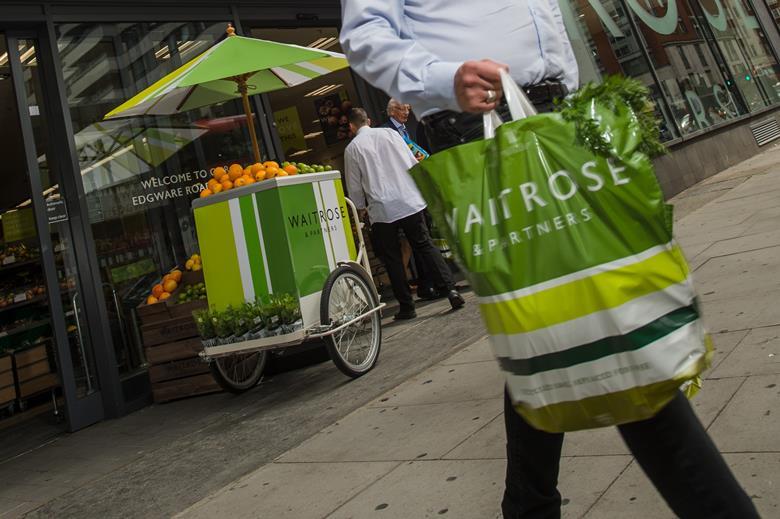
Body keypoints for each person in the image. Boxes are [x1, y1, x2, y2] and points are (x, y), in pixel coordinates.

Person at [339, 2, 759, 518]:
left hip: (554, 116)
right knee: (614, 327)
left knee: (556, 323)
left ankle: (527, 505)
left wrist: (572, 97)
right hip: (479, 121)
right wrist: (447, 79)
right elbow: (363, 32)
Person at [343, 108, 465, 320]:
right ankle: (451, 290)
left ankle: (407, 306)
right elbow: (411, 161)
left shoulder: (352, 149)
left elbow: (354, 187)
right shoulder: (391, 134)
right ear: (369, 120)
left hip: (382, 208)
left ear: (351, 127)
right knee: (425, 245)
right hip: (408, 199)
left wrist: (360, 207)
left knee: (393, 258)